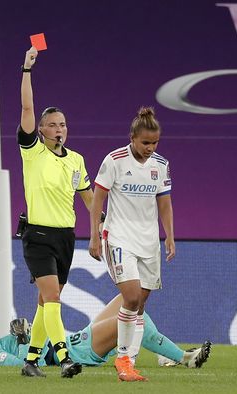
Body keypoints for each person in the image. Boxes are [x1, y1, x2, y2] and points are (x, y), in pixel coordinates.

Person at [17, 46, 93, 378]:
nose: (59, 128)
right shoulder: (32, 152)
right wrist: (27, 69)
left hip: (66, 236)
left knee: (46, 303)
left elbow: (90, 198)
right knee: (52, 298)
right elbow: (27, 106)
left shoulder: (76, 160)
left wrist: (103, 223)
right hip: (38, 237)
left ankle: (31, 362)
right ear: (42, 131)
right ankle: (64, 358)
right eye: (52, 125)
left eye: (62, 124)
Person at [89, 107, 175, 382]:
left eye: (155, 142)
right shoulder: (114, 160)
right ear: (133, 138)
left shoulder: (160, 165)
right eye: (146, 142)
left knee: (140, 304)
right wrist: (94, 235)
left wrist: (169, 236)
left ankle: (130, 361)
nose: (150, 148)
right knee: (132, 297)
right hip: (119, 238)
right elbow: (97, 200)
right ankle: (123, 358)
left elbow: (164, 204)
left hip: (148, 242)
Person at [0, 294, 211, 370]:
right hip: (77, 349)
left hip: (74, 338)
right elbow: (32, 363)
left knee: (130, 300)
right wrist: (24, 339)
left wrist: (25, 334)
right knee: (133, 314)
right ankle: (184, 358)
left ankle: (170, 357)